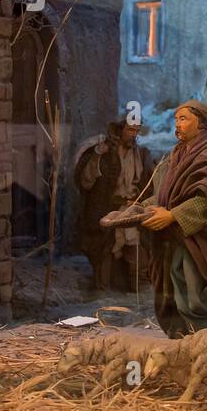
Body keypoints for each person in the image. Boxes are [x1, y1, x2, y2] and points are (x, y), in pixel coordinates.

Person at [140, 101, 207, 338]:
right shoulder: (175, 154)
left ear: (201, 123)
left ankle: (205, 341)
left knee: (190, 286)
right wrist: (143, 208)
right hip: (169, 237)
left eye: (184, 119)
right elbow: (164, 193)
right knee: (167, 286)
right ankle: (179, 337)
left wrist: (173, 215)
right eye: (176, 119)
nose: (178, 124)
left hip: (196, 237)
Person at [74, 116, 154, 292]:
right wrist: (96, 156)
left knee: (138, 255)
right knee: (104, 255)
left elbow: (150, 184)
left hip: (132, 209)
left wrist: (140, 202)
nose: (133, 135)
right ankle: (103, 293)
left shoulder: (141, 154)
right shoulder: (105, 153)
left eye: (136, 131)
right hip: (108, 210)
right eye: (129, 130)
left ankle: (138, 292)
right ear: (120, 129)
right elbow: (86, 182)